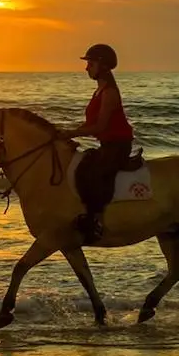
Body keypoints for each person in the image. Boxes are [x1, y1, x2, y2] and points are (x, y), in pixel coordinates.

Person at [60, 43, 134, 244]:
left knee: (97, 174)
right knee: (83, 168)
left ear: (102, 66)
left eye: (90, 64)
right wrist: (68, 133)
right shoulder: (99, 91)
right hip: (107, 144)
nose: (87, 68)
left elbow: (100, 126)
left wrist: (73, 132)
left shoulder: (109, 93)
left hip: (118, 145)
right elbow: (91, 124)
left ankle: (97, 221)